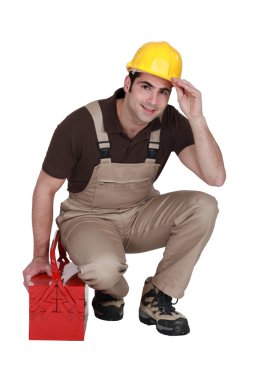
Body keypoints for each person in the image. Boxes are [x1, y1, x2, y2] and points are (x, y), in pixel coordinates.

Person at [23, 41, 226, 336]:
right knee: (103, 268)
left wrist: (196, 118)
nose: (153, 101)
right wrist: (40, 256)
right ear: (127, 83)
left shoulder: (170, 122)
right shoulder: (81, 125)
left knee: (204, 205)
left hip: (140, 214)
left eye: (163, 92)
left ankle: (157, 294)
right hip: (87, 219)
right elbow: (45, 189)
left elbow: (215, 177)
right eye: (146, 86)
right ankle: (111, 289)